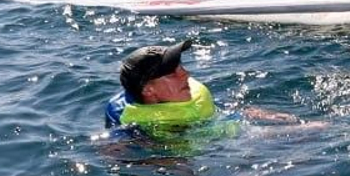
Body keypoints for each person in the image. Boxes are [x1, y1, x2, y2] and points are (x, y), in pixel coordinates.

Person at [105, 38, 311, 133]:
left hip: (229, 129)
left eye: (181, 67)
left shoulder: (190, 94)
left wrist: (254, 113)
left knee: (312, 131)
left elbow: (220, 110)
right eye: (173, 73)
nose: (185, 74)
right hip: (212, 151)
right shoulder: (133, 124)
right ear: (149, 90)